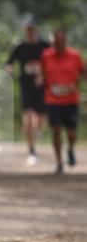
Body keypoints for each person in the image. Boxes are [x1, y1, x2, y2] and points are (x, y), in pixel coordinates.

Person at [37, 27, 85, 174]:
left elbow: (83, 72)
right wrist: (40, 80)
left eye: (61, 41)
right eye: (55, 42)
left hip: (71, 100)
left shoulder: (75, 56)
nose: (58, 45)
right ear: (52, 42)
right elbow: (42, 73)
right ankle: (59, 162)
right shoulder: (46, 55)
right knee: (56, 129)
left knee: (71, 132)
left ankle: (70, 149)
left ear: (65, 41)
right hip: (52, 99)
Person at [4, 15, 49, 165]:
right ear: (24, 30)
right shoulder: (20, 47)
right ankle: (31, 150)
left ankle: (37, 133)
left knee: (40, 119)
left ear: (35, 29)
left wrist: (44, 75)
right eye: (27, 29)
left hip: (42, 86)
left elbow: (53, 62)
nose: (29, 31)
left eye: (31, 28)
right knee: (28, 117)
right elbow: (9, 62)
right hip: (26, 85)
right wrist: (9, 70)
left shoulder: (44, 46)